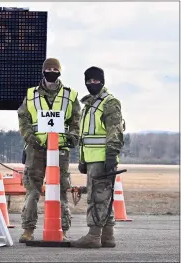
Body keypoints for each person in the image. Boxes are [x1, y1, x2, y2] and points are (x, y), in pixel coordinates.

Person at [17, 58, 81, 243]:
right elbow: (23, 119)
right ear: (43, 71)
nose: (52, 71)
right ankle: (28, 230)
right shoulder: (31, 95)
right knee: (32, 192)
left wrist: (72, 137)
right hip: (35, 150)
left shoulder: (70, 96)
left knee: (61, 191)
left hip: (60, 151)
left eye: (55, 69)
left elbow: (76, 121)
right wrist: (30, 137)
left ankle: (62, 229)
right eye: (49, 69)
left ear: (60, 72)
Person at [70, 66, 125, 248]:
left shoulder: (109, 103)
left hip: (103, 159)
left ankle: (93, 236)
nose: (92, 83)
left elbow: (115, 131)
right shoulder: (89, 105)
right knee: (104, 197)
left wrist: (111, 156)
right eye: (89, 80)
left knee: (97, 197)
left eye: (95, 80)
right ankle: (108, 236)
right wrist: (83, 160)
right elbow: (86, 137)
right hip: (92, 159)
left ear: (102, 81)